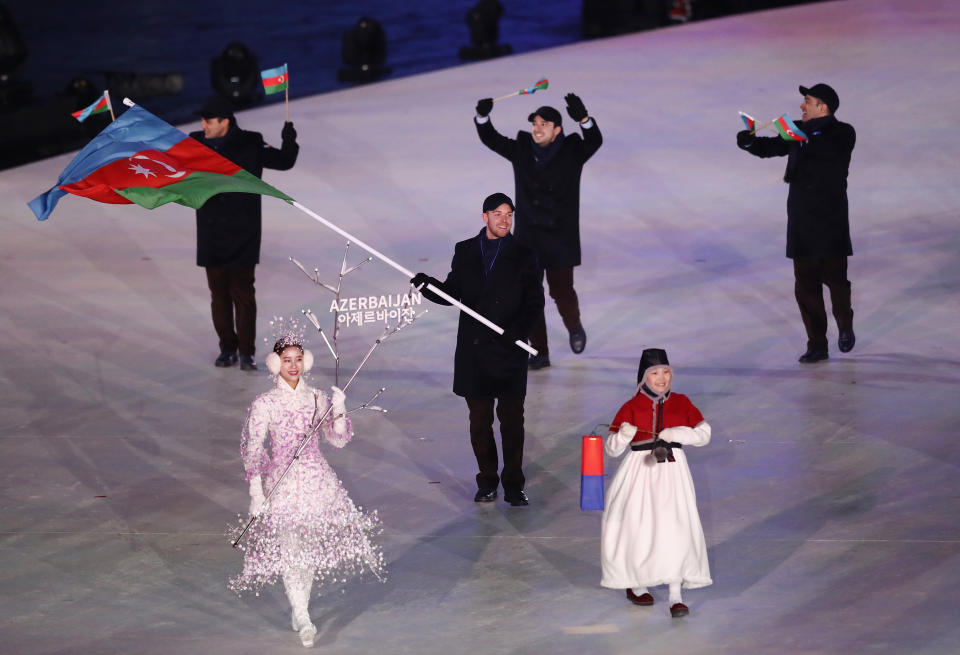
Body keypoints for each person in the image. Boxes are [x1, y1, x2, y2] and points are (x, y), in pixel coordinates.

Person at [229, 334, 385, 648]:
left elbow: (337, 439)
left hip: (316, 481)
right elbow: (254, 449)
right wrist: (256, 493)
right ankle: (302, 614)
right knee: (290, 549)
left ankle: (302, 609)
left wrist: (340, 409)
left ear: (306, 362)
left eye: (298, 359)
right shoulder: (265, 403)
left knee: (308, 550)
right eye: (286, 360)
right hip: (282, 483)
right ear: (275, 364)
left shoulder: (316, 398)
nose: (293, 366)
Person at [411, 192, 544, 506]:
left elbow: (534, 301)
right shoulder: (465, 250)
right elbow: (454, 294)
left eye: (509, 214)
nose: (504, 220)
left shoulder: (525, 253)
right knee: (479, 420)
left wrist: (518, 332)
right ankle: (487, 481)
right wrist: (428, 286)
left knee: (512, 422)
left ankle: (513, 484)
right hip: (475, 352)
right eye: (498, 213)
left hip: (509, 349)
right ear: (484, 217)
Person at [473, 93, 602, 369]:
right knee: (530, 296)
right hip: (529, 238)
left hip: (560, 237)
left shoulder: (571, 150)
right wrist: (483, 117)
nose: (537, 128)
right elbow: (492, 139)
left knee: (561, 291)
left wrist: (584, 119)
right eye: (535, 123)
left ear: (557, 129)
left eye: (544, 123)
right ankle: (539, 351)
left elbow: (595, 141)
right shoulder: (522, 149)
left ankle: (574, 327)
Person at [737, 83, 856, 363]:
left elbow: (825, 151)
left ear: (822, 106)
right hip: (801, 221)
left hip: (831, 222)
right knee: (806, 288)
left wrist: (797, 135)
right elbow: (769, 148)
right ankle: (817, 344)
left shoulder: (843, 132)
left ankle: (845, 328)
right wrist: (749, 142)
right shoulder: (798, 135)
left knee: (837, 283)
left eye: (808, 101)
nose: (802, 106)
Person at [190, 95, 299, 371]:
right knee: (219, 294)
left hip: (243, 232)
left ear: (225, 121)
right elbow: (166, 164)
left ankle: (246, 351)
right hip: (211, 230)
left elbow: (284, 161)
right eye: (202, 120)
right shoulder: (195, 143)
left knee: (243, 293)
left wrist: (289, 139)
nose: (203, 124)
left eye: (209, 120)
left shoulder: (251, 141)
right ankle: (227, 348)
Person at [600, 348, 712, 618]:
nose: (662, 378)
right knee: (637, 527)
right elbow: (612, 449)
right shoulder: (630, 406)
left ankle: (676, 594)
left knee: (675, 528)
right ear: (643, 378)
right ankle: (637, 584)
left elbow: (704, 433)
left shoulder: (683, 402)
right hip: (639, 473)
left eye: (666, 372)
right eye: (654, 373)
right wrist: (624, 436)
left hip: (673, 474)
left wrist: (678, 432)